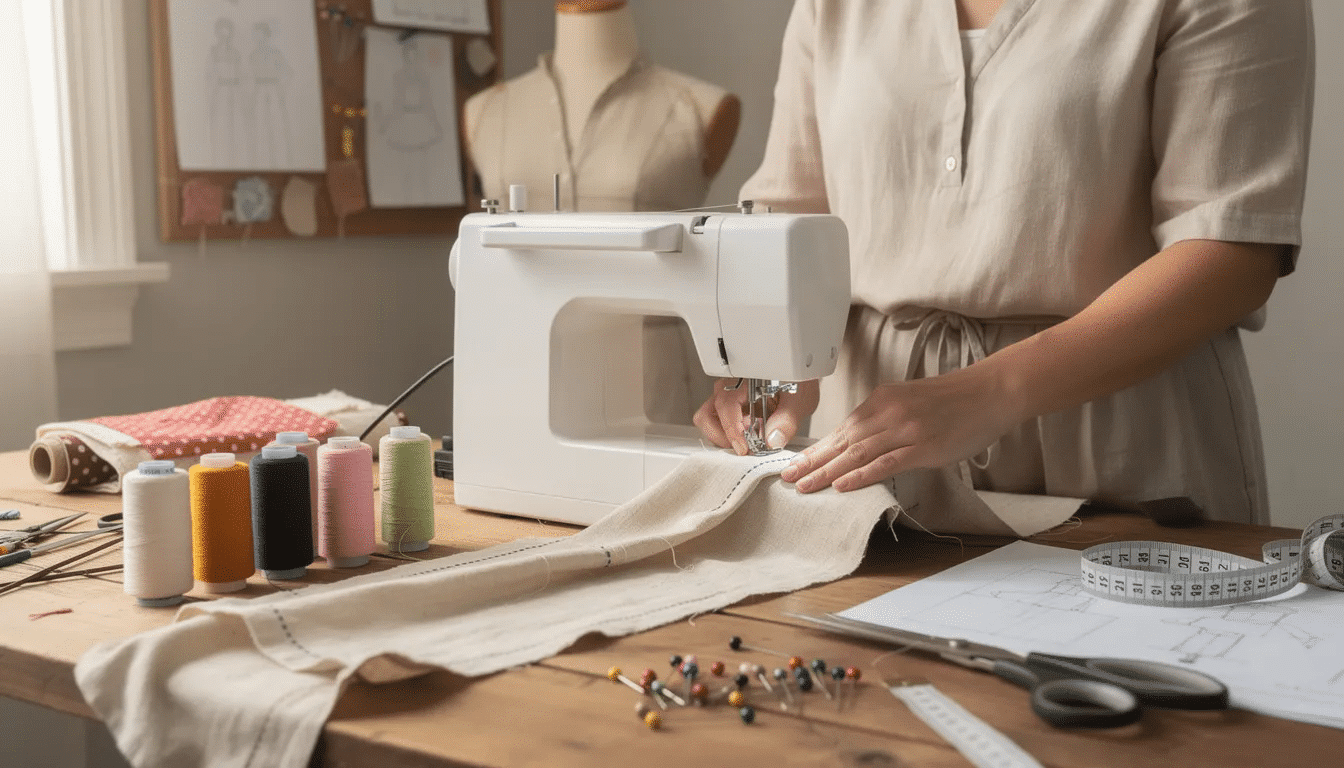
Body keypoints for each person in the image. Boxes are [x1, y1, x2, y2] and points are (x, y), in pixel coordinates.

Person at [694, 0, 1314, 527]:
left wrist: (985, 394)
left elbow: (1232, 250)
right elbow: (790, 213)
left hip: (1122, 451)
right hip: (868, 461)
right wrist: (773, 363)